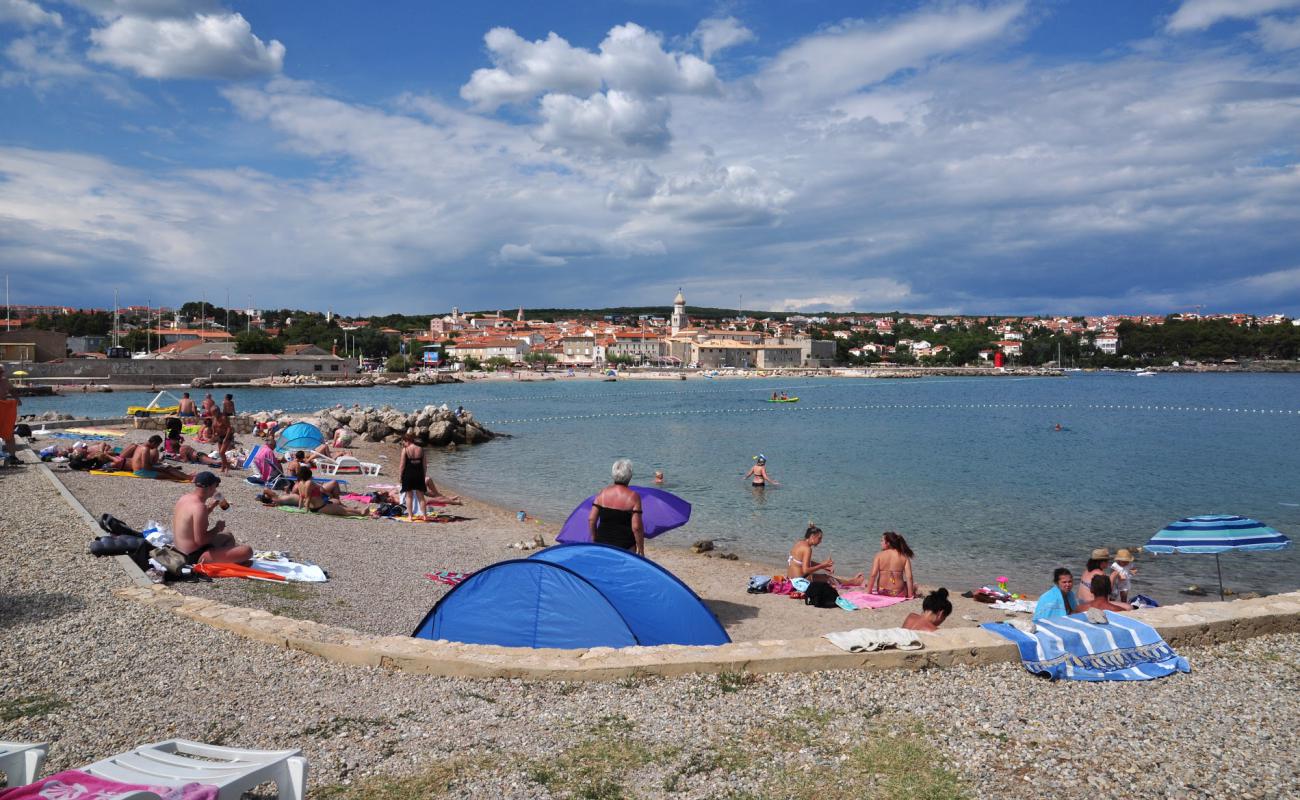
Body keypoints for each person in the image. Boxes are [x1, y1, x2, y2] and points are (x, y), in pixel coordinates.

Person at [173, 471, 252, 565]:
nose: (216, 489)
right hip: (193, 556)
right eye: (216, 485)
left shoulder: (185, 498)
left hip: (179, 550)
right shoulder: (199, 507)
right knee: (247, 551)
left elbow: (192, 519)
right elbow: (200, 541)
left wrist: (210, 508)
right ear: (210, 488)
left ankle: (227, 557)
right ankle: (228, 559)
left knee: (228, 536)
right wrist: (217, 528)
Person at [587, 458, 644, 555]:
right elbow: (636, 527)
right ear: (630, 476)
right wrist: (641, 549)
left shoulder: (603, 493)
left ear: (613, 474)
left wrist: (594, 539)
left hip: (602, 544)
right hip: (625, 546)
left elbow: (591, 519)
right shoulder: (634, 497)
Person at [786, 524, 861, 584]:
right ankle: (853, 582)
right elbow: (806, 570)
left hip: (790, 579)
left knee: (824, 577)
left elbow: (802, 563)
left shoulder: (799, 543)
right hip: (799, 582)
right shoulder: (807, 549)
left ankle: (851, 581)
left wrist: (824, 567)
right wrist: (822, 565)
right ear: (812, 537)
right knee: (828, 578)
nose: (820, 541)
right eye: (819, 538)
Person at [292, 466, 370, 516]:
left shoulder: (300, 483)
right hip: (320, 507)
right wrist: (306, 511)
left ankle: (359, 511)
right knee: (342, 510)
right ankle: (360, 512)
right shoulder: (309, 483)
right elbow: (308, 498)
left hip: (315, 508)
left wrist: (299, 508)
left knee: (342, 510)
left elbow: (302, 497)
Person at [866, 531, 916, 597]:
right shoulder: (904, 556)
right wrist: (910, 595)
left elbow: (873, 575)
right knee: (914, 586)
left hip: (881, 591)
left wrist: (869, 591)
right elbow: (909, 577)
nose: (880, 543)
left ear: (888, 543)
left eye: (882, 541)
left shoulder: (879, 555)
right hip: (897, 593)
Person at [398, 432, 426, 521]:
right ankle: (424, 515)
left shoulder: (405, 450)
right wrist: (423, 475)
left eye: (404, 441)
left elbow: (402, 465)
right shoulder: (421, 449)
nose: (403, 443)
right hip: (419, 474)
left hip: (408, 474)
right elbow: (425, 465)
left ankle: (410, 516)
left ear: (407, 441)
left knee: (409, 496)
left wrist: (400, 476)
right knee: (421, 496)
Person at [0, 364, 20, 465]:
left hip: (4, 409)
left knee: (9, 433)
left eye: (1, 372)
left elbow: (12, 390)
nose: (1, 374)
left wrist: (17, 399)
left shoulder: (5, 381)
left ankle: (12, 456)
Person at [210, 410, 234, 475]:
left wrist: (226, 438)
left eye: (214, 413)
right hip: (220, 436)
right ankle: (223, 467)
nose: (213, 414)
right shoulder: (214, 418)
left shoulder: (223, 418)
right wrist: (213, 433)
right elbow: (213, 426)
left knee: (222, 452)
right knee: (221, 453)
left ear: (217, 411)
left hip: (227, 436)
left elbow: (229, 428)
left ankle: (227, 467)